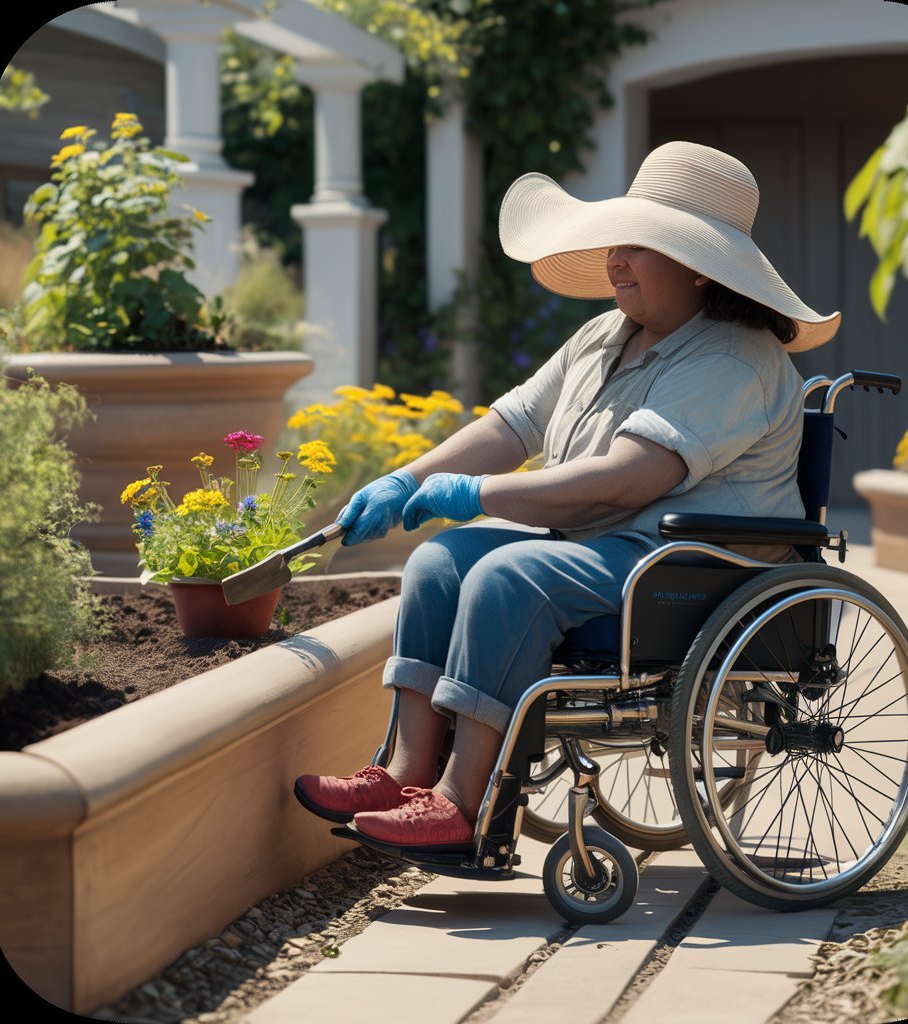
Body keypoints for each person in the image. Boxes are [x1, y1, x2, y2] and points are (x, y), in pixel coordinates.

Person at [294, 141, 840, 848]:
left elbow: (626, 480)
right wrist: (412, 478)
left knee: (507, 576)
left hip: (691, 566)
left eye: (638, 246)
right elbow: (512, 423)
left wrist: (479, 493)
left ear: (702, 270)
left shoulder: (735, 358)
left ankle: (465, 807)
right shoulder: (605, 335)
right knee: (439, 562)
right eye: (617, 242)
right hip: (610, 551)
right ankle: (405, 772)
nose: (614, 260)